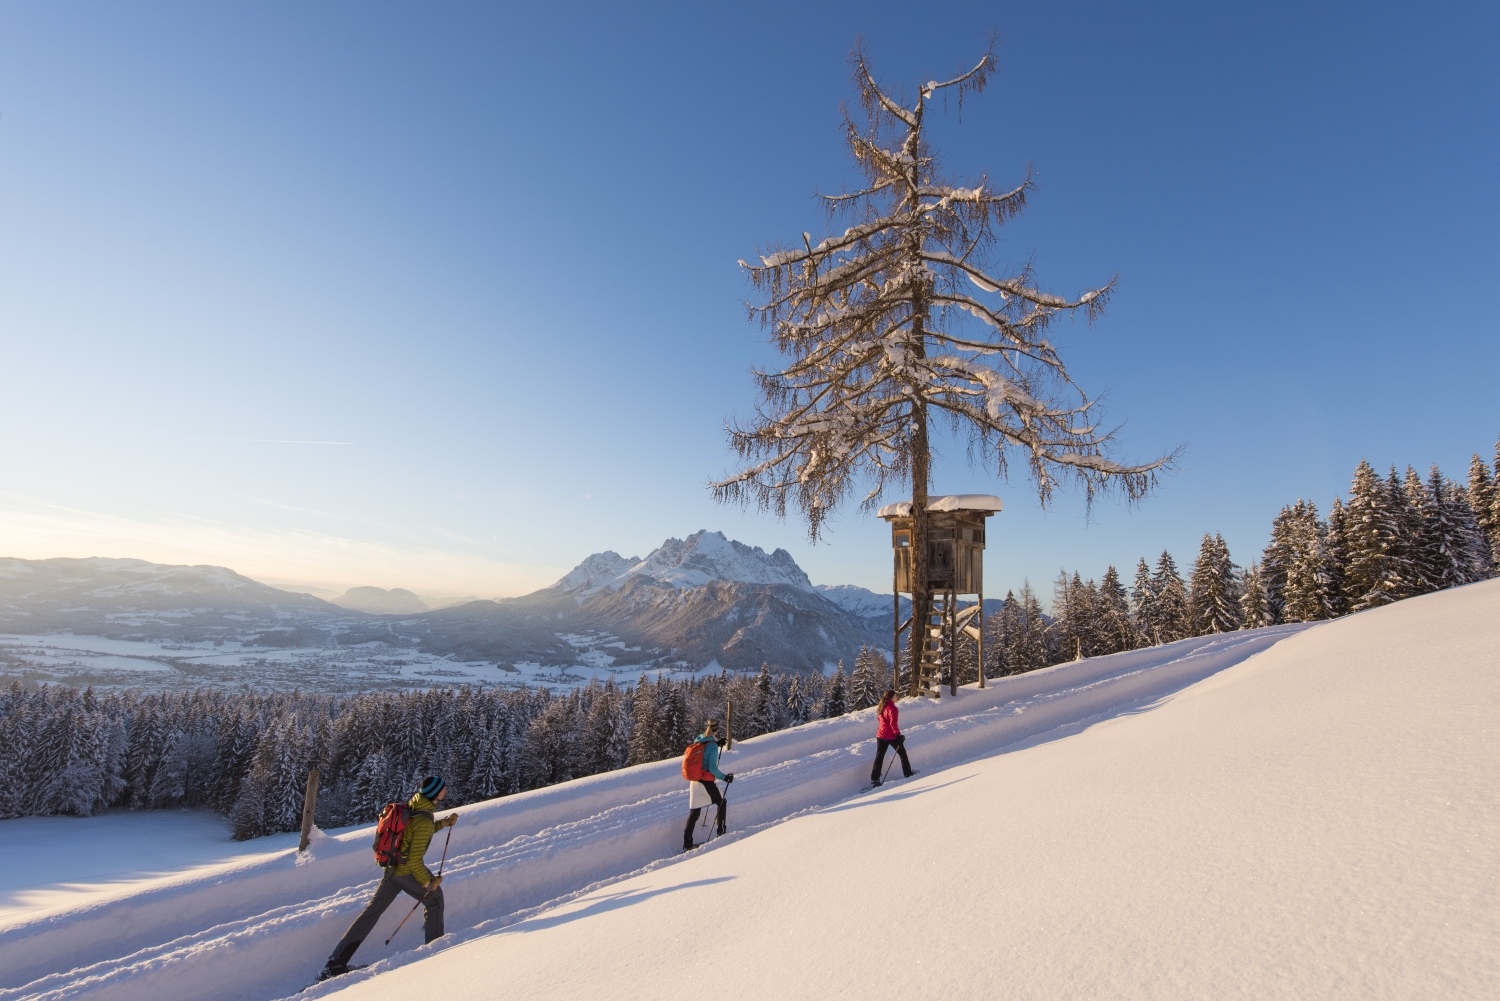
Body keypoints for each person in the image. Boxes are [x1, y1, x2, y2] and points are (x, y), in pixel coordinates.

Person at [320, 775, 458, 981]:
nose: (446, 791)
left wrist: (443, 823)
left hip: (392, 869)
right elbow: (414, 859)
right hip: (406, 872)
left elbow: (413, 832)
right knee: (435, 899)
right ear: (435, 794)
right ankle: (434, 954)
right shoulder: (424, 819)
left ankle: (335, 964)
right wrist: (429, 882)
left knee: (370, 914)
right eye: (443, 789)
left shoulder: (415, 806)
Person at [682, 720, 733, 851]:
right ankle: (721, 833)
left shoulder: (699, 738)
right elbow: (712, 768)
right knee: (722, 802)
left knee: (694, 813)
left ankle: (687, 844)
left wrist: (716, 743)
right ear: (716, 729)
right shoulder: (713, 747)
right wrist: (725, 777)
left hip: (694, 780)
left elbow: (703, 752)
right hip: (705, 781)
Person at [871, 689, 914, 786]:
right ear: (892, 697)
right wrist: (898, 735)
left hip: (880, 735)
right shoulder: (893, 709)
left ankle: (875, 779)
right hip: (890, 736)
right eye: (896, 696)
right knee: (902, 754)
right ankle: (908, 774)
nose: (897, 698)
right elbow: (893, 724)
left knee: (879, 756)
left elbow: (880, 720)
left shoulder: (882, 706)